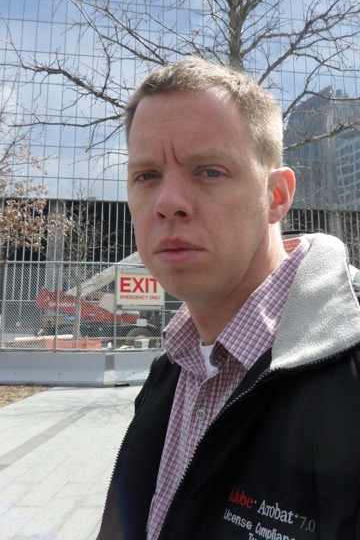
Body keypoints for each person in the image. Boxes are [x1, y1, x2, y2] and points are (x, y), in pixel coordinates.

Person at [96, 57, 360, 540]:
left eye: (210, 171)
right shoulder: (170, 368)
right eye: (146, 175)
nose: (167, 202)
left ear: (276, 196)